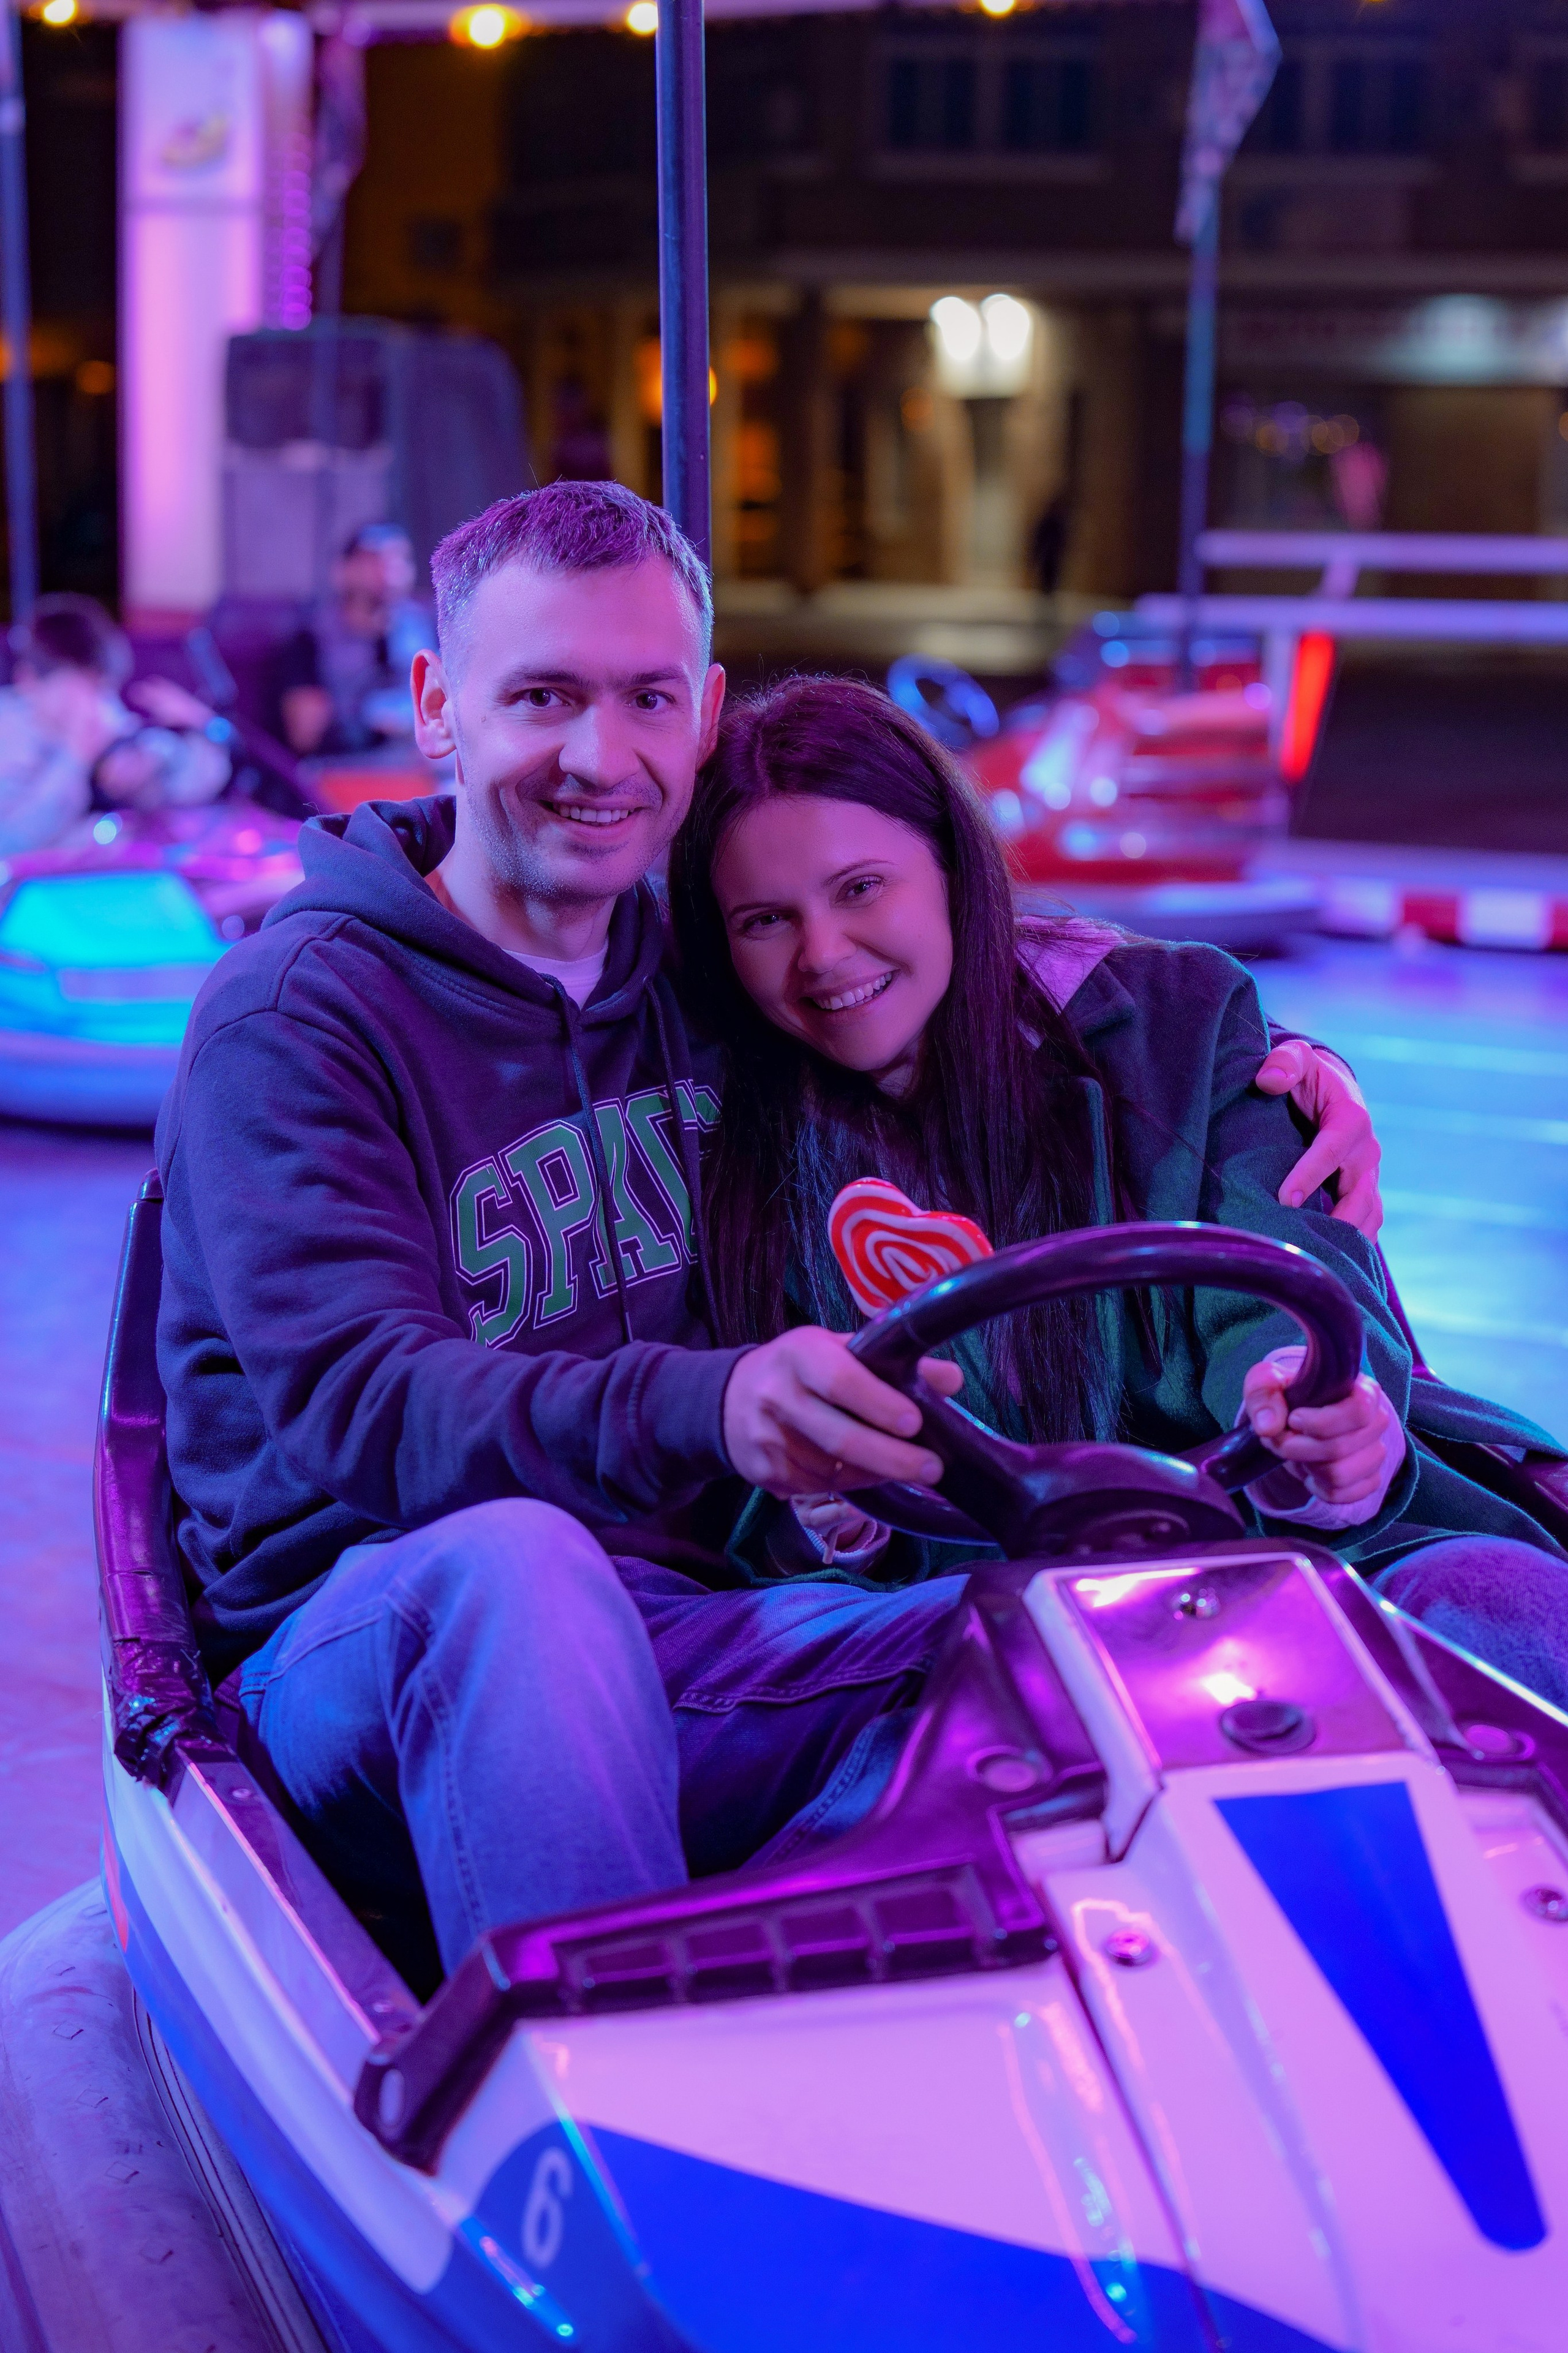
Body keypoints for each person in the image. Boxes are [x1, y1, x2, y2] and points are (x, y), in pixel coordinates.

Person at [156, 480, 1389, 1987]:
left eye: (645, 699)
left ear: (700, 713)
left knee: (1084, 1642)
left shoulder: (697, 959)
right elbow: (367, 1404)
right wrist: (717, 1402)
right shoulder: (300, 1019)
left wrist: (1270, 1064)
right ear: (437, 706)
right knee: (520, 1574)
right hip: (372, 1638)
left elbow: (941, 939)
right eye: (540, 696)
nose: (597, 756)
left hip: (690, 1625)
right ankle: (611, 2127)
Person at [666, 673, 1568, 1683]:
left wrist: (1308, 1413)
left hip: (1288, 1552)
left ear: (952, 869)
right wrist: (831, 1507)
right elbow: (747, 1465)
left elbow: (1277, 1268)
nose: (824, 955)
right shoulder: (726, 1123)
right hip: (967, 1611)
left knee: (1500, 1605)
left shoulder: (1171, 1023)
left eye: (861, 887)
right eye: (765, 921)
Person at [0, 594, 230, 855]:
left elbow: (200, 787)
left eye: (102, 687)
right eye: (79, 689)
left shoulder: (109, 718)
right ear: (28, 680)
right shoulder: (9, 730)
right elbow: (10, 841)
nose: (95, 704)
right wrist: (75, 758)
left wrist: (168, 751)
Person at [271, 523, 435, 758]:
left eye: (398, 560)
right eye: (374, 561)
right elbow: (305, 735)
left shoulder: (426, 627)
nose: (389, 572)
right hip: (346, 765)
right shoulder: (311, 638)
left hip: (418, 762)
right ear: (343, 570)